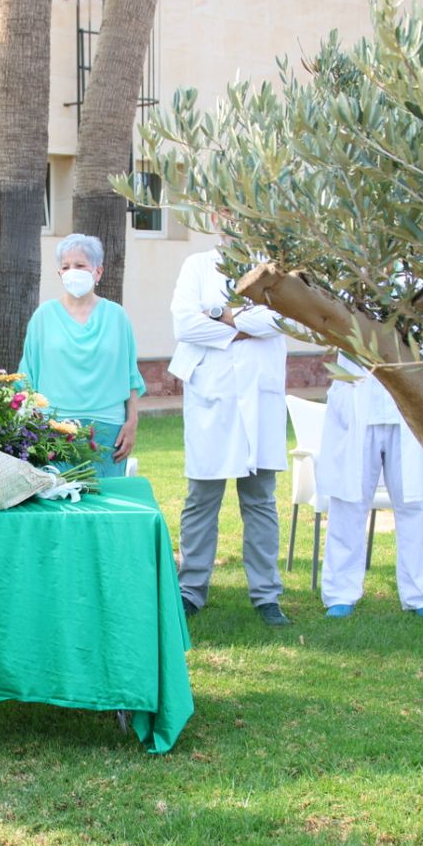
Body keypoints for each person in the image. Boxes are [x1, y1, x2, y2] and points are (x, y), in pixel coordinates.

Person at [169, 247, 289, 626]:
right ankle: (191, 590)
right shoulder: (196, 264)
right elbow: (185, 325)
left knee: (260, 498)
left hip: (258, 388)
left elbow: (282, 320)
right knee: (202, 496)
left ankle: (267, 595)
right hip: (211, 390)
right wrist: (245, 324)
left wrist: (221, 313)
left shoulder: (275, 265)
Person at [317, 356, 423, 621]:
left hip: (406, 409)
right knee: (348, 505)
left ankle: (418, 596)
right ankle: (341, 594)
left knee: (412, 506)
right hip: (357, 406)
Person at [19, 234, 144, 479]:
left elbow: (132, 376)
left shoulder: (117, 316)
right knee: (59, 506)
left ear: (98, 272)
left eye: (80, 266)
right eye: (65, 267)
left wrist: (132, 424)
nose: (72, 272)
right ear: (59, 273)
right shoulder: (43, 316)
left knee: (105, 505)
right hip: (55, 428)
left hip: (109, 429)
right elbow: (27, 376)